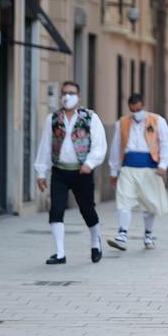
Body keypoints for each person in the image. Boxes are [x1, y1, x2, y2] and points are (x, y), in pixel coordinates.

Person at [35, 81, 108, 265]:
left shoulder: (90, 117)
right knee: (56, 210)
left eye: (71, 93)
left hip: (82, 172)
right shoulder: (53, 118)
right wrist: (41, 172)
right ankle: (60, 253)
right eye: (64, 93)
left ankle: (95, 242)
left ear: (79, 96)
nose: (67, 96)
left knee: (87, 210)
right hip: (60, 171)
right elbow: (45, 145)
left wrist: (90, 163)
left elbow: (100, 144)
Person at [107, 93, 168, 251]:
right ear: (129, 107)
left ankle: (148, 234)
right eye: (132, 109)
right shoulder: (122, 123)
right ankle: (122, 234)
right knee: (123, 200)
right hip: (128, 167)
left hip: (149, 168)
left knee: (149, 203)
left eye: (138, 109)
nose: (136, 112)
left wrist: (164, 164)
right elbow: (116, 147)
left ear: (143, 105)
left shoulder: (157, 121)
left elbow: (166, 143)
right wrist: (113, 171)